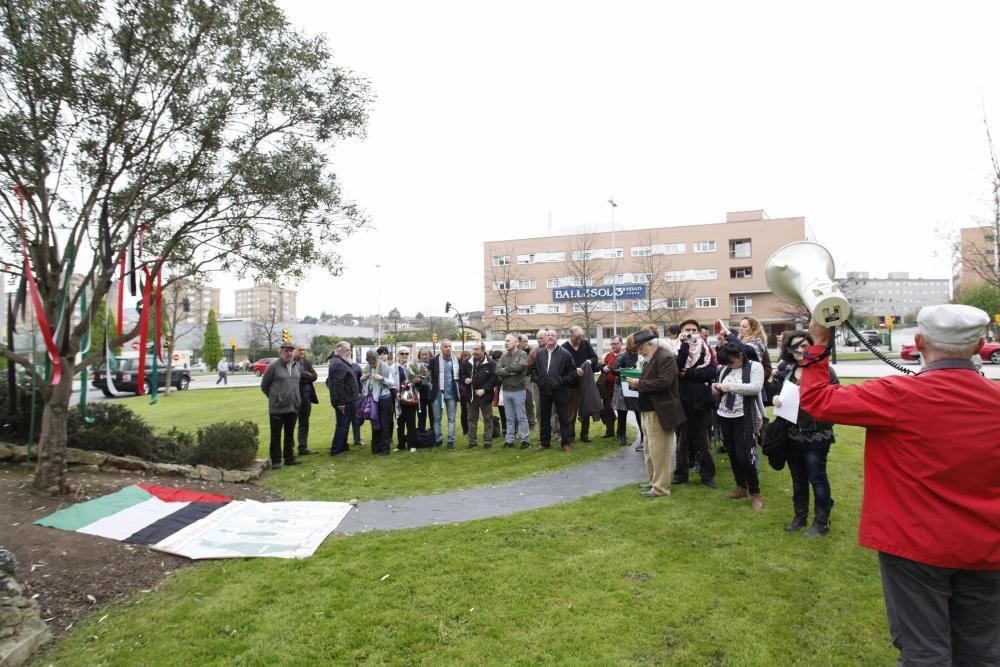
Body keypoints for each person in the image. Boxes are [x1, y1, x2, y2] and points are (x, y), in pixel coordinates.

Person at [799, 304, 1000, 665]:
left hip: (914, 545)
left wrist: (818, 345)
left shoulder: (897, 394)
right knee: (982, 650)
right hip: (987, 547)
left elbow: (817, 401)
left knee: (925, 651)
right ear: (979, 345)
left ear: (919, 341)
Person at [770, 331, 838, 536]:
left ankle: (821, 522)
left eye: (805, 345)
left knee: (817, 477)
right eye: (797, 345)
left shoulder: (824, 370)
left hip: (816, 433)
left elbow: (836, 397)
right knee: (798, 479)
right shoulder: (790, 370)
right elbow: (783, 394)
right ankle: (799, 517)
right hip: (792, 432)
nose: (801, 349)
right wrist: (777, 399)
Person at [626, 328, 684, 498]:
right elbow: (650, 381)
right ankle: (654, 482)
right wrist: (635, 383)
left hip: (660, 411)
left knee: (659, 452)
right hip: (648, 409)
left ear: (648, 344)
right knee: (650, 451)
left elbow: (664, 382)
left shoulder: (665, 358)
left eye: (640, 348)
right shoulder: (651, 359)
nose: (639, 352)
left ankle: (661, 488)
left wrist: (640, 384)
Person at [713, 341, 765, 510]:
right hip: (725, 414)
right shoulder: (725, 370)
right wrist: (717, 389)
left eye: (731, 361)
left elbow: (755, 388)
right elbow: (721, 391)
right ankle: (741, 487)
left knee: (745, 456)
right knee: (733, 454)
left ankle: (755, 492)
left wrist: (730, 387)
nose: (729, 365)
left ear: (740, 355)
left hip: (745, 415)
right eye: (726, 363)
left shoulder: (755, 367)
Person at [673, 319, 717, 489]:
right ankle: (681, 474)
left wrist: (690, 373)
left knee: (703, 441)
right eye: (686, 329)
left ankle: (707, 475)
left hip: (700, 402)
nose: (690, 332)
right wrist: (684, 345)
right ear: (681, 331)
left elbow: (711, 371)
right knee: (682, 441)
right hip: (682, 400)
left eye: (693, 329)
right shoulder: (675, 347)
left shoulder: (706, 349)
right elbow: (678, 367)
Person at [529, 329, 576, 451]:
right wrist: (539, 381)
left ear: (557, 338)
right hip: (544, 391)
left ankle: (565, 443)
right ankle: (544, 443)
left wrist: (561, 381)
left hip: (560, 391)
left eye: (552, 335)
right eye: (548, 335)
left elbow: (572, 372)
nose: (549, 337)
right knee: (544, 417)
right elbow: (533, 370)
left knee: (563, 417)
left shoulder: (565, 353)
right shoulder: (540, 353)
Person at [260, 341, 301, 467]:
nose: (289, 353)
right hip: (277, 408)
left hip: (293, 407)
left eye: (291, 350)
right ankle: (276, 460)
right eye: (286, 351)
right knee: (276, 436)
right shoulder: (273, 367)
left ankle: (289, 458)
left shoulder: (296, 366)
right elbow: (264, 385)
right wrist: (275, 398)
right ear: (281, 352)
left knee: (290, 434)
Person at [562, 326, 600, 442]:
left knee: (586, 409)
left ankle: (585, 434)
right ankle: (570, 435)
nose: (579, 341)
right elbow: (562, 367)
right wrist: (575, 370)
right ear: (570, 336)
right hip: (571, 386)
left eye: (581, 338)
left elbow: (594, 357)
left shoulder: (585, 344)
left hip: (585, 384)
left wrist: (589, 361)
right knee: (571, 412)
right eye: (577, 338)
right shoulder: (564, 348)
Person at [497, 333, 530, 448]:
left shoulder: (522, 354)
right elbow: (497, 370)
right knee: (509, 418)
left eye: (508, 341)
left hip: (519, 390)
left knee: (521, 417)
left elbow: (520, 367)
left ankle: (525, 440)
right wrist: (511, 371)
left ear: (516, 343)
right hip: (506, 390)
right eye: (505, 341)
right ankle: (509, 440)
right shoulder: (503, 356)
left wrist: (506, 370)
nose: (506, 343)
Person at [360, 349, 396, 456]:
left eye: (374, 362)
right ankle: (375, 449)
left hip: (384, 398)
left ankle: (385, 450)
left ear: (377, 359)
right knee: (374, 423)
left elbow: (392, 383)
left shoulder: (385, 367)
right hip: (372, 399)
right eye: (370, 363)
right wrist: (363, 378)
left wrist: (381, 379)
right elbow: (363, 383)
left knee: (384, 424)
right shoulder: (367, 368)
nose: (373, 365)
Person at [327, 341, 359, 457]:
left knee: (344, 424)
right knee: (342, 425)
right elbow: (337, 385)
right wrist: (340, 403)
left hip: (348, 399)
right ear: (339, 351)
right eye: (347, 350)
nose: (349, 352)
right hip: (344, 401)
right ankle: (336, 450)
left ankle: (343, 446)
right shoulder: (339, 364)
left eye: (349, 350)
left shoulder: (341, 362)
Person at [610, 334, 643, 451]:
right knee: (622, 412)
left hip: (637, 387)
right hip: (622, 387)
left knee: (638, 412)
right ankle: (622, 435)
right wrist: (626, 371)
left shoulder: (641, 355)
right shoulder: (623, 356)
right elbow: (613, 369)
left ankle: (643, 438)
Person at [428, 339, 461, 448]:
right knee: (437, 418)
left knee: (452, 418)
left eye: (449, 346)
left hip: (451, 394)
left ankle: (451, 441)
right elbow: (428, 376)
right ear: (441, 348)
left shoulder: (456, 360)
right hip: (437, 394)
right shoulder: (434, 361)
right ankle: (438, 439)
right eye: (445, 346)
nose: (448, 348)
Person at [463, 341, 496, 448]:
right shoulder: (467, 362)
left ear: (483, 350)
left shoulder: (491, 363)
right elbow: (461, 374)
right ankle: (472, 442)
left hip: (485, 396)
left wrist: (484, 389)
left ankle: (487, 441)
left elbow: (494, 378)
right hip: (471, 396)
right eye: (473, 349)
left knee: (488, 419)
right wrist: (465, 379)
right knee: (472, 419)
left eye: (477, 349)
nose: (474, 352)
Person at [293, 343, 319, 456]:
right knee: (291, 424)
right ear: (294, 351)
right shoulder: (290, 363)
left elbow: (315, 375)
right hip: (294, 398)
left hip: (306, 398)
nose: (302, 352)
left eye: (303, 350)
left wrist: (306, 376)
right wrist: (305, 376)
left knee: (304, 423)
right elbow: (295, 376)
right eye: (300, 350)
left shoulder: (306, 362)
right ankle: (289, 448)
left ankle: (303, 447)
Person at [600, 336, 627, 444]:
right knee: (606, 409)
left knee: (621, 411)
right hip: (608, 387)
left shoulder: (625, 356)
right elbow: (603, 367)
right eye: (611, 344)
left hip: (620, 387)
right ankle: (609, 431)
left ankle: (621, 433)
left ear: (621, 343)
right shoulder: (608, 356)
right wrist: (603, 368)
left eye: (615, 343)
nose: (613, 346)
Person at [395, 347, 417, 451]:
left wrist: (416, 382)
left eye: (406, 354)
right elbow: (390, 383)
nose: (404, 355)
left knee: (411, 422)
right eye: (402, 353)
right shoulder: (393, 367)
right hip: (398, 398)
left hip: (410, 398)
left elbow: (419, 382)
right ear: (398, 355)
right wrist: (395, 392)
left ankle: (412, 444)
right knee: (400, 422)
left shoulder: (413, 366)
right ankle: (400, 444)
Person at [410, 347, 433, 433]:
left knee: (432, 415)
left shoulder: (433, 365)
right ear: (419, 356)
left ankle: (433, 433)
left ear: (429, 355)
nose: (424, 356)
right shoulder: (415, 366)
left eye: (426, 354)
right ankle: (421, 433)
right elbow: (410, 379)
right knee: (421, 415)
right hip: (420, 391)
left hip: (431, 391)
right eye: (422, 355)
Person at [517, 334, 536, 429]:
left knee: (529, 399)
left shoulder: (531, 350)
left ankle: (532, 422)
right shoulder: (515, 351)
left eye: (527, 341)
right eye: (524, 341)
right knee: (518, 401)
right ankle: (521, 423)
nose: (526, 343)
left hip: (527, 377)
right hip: (516, 378)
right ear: (519, 342)